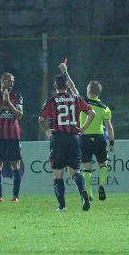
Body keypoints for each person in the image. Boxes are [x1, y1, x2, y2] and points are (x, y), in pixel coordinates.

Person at [38, 72, 95, 212]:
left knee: (58, 173)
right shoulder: (76, 98)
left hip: (58, 138)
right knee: (74, 172)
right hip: (74, 137)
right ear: (66, 85)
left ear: (55, 85)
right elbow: (91, 113)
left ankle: (62, 206)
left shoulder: (51, 100)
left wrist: (47, 130)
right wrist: (83, 129)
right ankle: (83, 192)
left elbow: (41, 119)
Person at [58, 63, 114, 201]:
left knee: (87, 168)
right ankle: (101, 185)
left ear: (89, 90)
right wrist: (111, 142)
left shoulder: (82, 101)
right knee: (103, 165)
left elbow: (72, 87)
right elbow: (110, 127)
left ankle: (89, 193)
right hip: (99, 137)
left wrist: (65, 72)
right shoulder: (105, 108)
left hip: (84, 138)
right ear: (99, 92)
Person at [0, 72, 23, 202]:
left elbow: (19, 115)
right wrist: (3, 104)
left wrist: (9, 103)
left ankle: (15, 196)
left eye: (13, 81)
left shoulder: (17, 96)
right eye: (9, 81)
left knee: (16, 165)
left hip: (13, 136)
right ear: (2, 82)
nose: (11, 83)